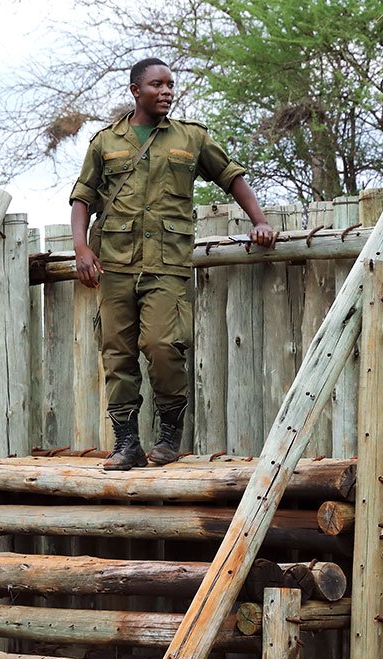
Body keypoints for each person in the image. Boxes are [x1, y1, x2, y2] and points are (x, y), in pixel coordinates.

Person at [70, 57, 277, 470]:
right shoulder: (105, 143)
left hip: (166, 265)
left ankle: (169, 435)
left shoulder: (191, 137)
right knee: (117, 355)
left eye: (170, 85)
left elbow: (231, 176)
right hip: (115, 264)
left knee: (162, 346)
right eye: (157, 85)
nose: (166, 91)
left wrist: (260, 221)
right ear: (136, 91)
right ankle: (127, 443)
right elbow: (83, 198)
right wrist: (81, 249)